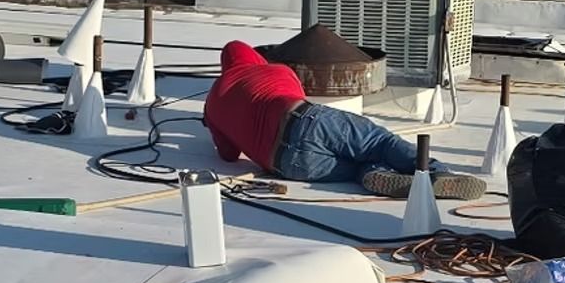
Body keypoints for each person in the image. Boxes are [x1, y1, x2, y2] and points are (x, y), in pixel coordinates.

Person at [203, 41, 486, 199]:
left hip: (287, 165)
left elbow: (228, 155)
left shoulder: (212, 102)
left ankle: (374, 177)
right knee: (379, 142)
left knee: (356, 169)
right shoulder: (276, 70)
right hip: (305, 121)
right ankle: (438, 172)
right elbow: (300, 99)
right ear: (254, 58)